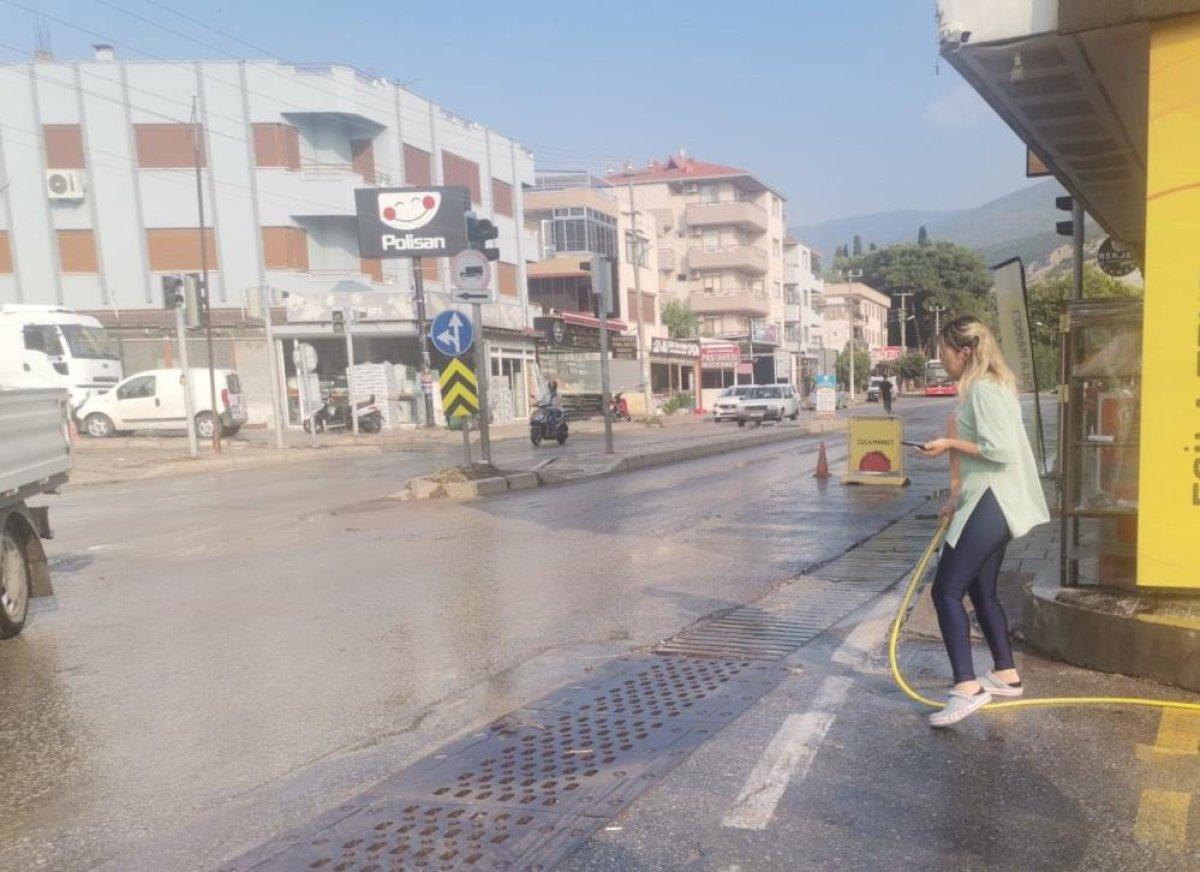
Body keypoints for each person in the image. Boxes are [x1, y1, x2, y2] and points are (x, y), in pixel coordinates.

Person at [918, 315, 1049, 728]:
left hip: (992, 501)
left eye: (944, 355)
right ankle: (1006, 675)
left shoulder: (984, 389)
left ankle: (966, 687)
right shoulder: (993, 386)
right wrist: (955, 493)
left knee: (945, 590)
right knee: (981, 590)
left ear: (965, 352)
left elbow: (1000, 450)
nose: (943, 362)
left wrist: (949, 443)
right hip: (992, 500)